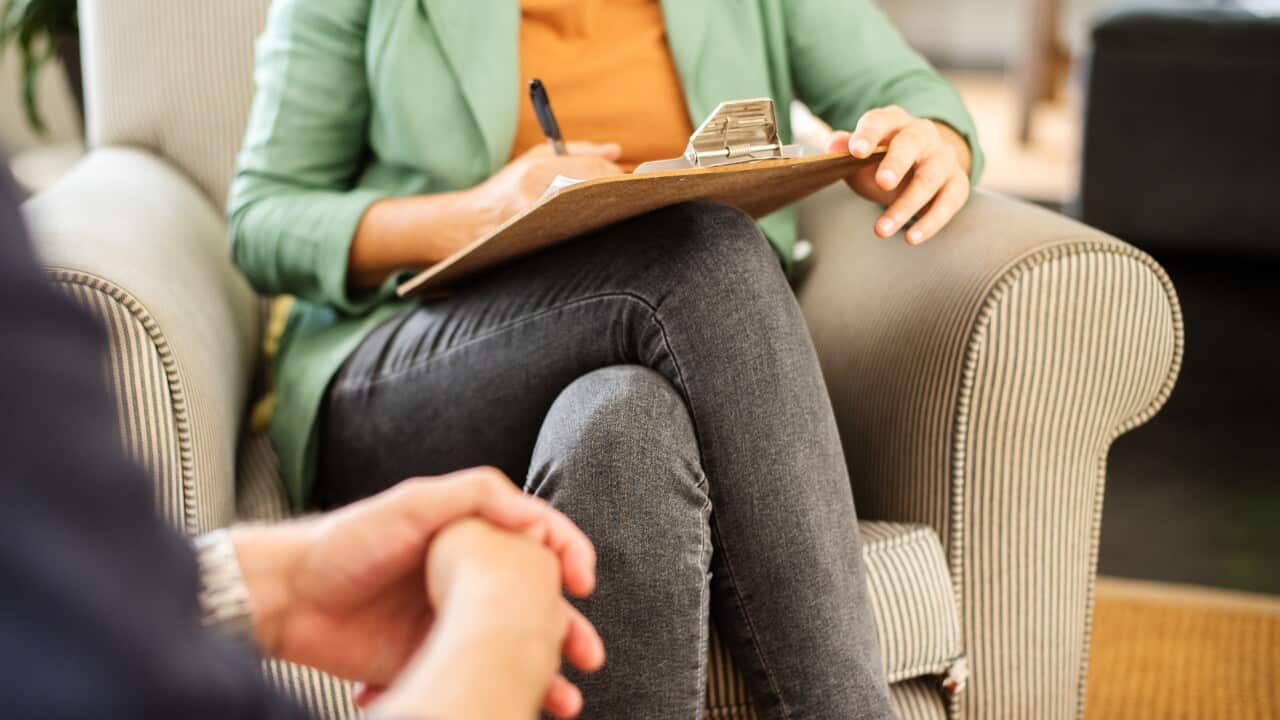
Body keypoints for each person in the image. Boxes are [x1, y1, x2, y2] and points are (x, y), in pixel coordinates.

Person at [230, 1, 984, 717]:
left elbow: (909, 95)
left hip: (669, 357)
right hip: (417, 364)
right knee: (707, 252)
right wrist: (480, 212)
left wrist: (928, 139)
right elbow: (264, 217)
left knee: (624, 427)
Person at [0, 163, 604, 719]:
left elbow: (64, 605)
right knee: (685, 259)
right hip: (403, 342)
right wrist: (500, 626)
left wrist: (273, 584)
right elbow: (99, 662)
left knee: (616, 415)